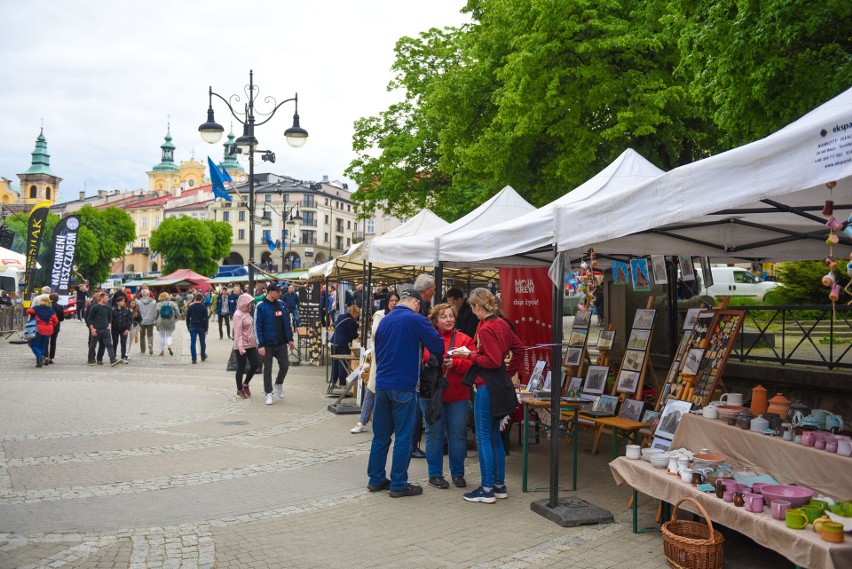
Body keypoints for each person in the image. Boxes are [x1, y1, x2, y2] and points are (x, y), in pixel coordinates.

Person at [366, 289, 444, 498]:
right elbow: (438, 345)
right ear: (417, 303)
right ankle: (399, 483)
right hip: (404, 385)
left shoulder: (385, 319)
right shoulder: (416, 319)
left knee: (381, 436)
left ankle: (376, 480)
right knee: (403, 437)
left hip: (382, 384)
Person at [455, 287, 524, 503]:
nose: (473, 312)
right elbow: (519, 350)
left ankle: (486, 489)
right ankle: (498, 485)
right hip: (499, 385)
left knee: (484, 437)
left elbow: (492, 361)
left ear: (477, 306)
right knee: (494, 436)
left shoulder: (486, 328)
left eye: (473, 308)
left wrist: (470, 355)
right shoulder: (502, 323)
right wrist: (508, 373)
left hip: (487, 386)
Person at [420, 303, 476, 489]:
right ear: (435, 320)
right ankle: (435, 475)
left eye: (451, 315)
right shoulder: (427, 338)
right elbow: (420, 360)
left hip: (457, 394)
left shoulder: (464, 339)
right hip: (431, 395)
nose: (449, 319)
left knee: (458, 435)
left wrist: (456, 364)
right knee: (434, 434)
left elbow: (473, 363)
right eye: (444, 316)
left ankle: (458, 473)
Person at [351, 291, 399, 434]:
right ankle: (362, 421)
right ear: (387, 302)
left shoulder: (402, 316)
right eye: (391, 300)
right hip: (380, 359)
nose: (394, 303)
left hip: (395, 360)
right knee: (371, 390)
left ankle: (389, 425)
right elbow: (377, 334)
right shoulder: (380, 315)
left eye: (396, 300)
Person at [254, 283, 295, 405]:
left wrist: (290, 339)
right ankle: (268, 393)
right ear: (270, 292)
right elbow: (257, 326)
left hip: (281, 343)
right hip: (267, 344)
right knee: (267, 369)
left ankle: (278, 383)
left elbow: (287, 324)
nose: (280, 293)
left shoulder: (282, 305)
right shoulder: (260, 306)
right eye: (278, 291)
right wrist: (260, 345)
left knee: (285, 365)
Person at [410, 273, 437, 458]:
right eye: (434, 289)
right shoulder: (419, 308)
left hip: (415, 362)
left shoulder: (416, 304)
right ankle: (412, 445)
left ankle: (412, 445)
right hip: (417, 363)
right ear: (427, 291)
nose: (435, 292)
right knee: (416, 409)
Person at [232, 292, 259, 399]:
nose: (251, 305)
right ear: (244, 303)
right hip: (241, 345)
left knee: (255, 364)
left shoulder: (247, 313)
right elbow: (237, 333)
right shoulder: (237, 315)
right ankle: (239, 389)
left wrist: (256, 341)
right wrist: (240, 347)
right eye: (250, 303)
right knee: (241, 368)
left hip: (251, 344)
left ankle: (246, 383)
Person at [86, 292, 120, 366]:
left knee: (109, 345)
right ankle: (90, 359)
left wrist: (109, 326)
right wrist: (92, 329)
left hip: (105, 330)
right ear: (101, 298)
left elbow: (110, 318)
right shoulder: (95, 307)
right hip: (96, 329)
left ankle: (112, 360)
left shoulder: (108, 307)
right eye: (106, 298)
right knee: (93, 345)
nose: (108, 299)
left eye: (108, 298)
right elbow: (90, 318)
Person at [330, 305, 360, 388]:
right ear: (354, 313)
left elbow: (337, 326)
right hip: (343, 344)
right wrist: (357, 331)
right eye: (357, 315)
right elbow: (353, 335)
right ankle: (342, 384)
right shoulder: (351, 321)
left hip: (334, 342)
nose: (357, 317)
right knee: (343, 363)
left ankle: (332, 383)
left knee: (335, 363)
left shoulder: (340, 316)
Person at [26, 296, 58, 367]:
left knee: (33, 345)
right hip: (48, 331)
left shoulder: (37, 308)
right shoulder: (51, 311)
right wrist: (51, 326)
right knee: (42, 346)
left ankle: (40, 356)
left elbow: (28, 311)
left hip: (38, 330)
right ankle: (39, 362)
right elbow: (56, 321)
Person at [154, 291, 180, 356]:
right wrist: (178, 316)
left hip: (161, 321)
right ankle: (169, 345)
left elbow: (155, 314)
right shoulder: (172, 303)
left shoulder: (158, 304)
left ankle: (162, 351)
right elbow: (176, 309)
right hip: (170, 320)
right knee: (169, 335)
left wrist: (155, 320)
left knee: (162, 336)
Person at [186, 292, 209, 364]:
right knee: (202, 342)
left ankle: (194, 359)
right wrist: (206, 329)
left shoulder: (191, 307)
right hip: (201, 326)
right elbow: (206, 319)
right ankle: (203, 355)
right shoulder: (203, 307)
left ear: (195, 299)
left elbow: (187, 318)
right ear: (202, 299)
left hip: (193, 326)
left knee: (193, 343)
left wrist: (188, 327)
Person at [111, 296, 132, 362]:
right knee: (115, 343)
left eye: (124, 301)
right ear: (117, 302)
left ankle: (123, 357)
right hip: (115, 329)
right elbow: (111, 319)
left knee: (123, 343)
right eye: (121, 301)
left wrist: (127, 329)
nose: (123, 302)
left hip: (124, 329)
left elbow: (129, 320)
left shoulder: (127, 310)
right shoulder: (113, 310)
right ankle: (113, 356)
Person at [46, 292, 65, 365]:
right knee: (53, 342)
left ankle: (45, 356)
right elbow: (62, 318)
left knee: (46, 341)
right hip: (56, 326)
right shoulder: (60, 306)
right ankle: (51, 357)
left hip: (47, 325)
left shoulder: (47, 306)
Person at [137, 289, 157, 355]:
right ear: (149, 294)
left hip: (142, 321)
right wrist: (155, 319)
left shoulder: (138, 302)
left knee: (142, 336)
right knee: (150, 335)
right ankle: (150, 344)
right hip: (150, 320)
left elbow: (137, 312)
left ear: (142, 294)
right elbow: (155, 311)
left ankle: (142, 350)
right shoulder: (154, 301)